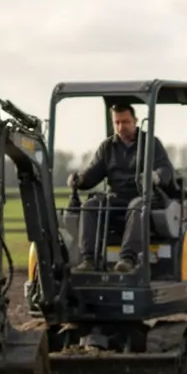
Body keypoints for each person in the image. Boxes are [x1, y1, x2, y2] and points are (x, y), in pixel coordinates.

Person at [66, 102, 176, 272]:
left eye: (125, 122)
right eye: (117, 122)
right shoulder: (107, 147)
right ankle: (89, 260)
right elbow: (93, 173)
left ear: (135, 121)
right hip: (116, 198)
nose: (121, 126)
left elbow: (166, 169)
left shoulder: (151, 143)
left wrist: (155, 176)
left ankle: (127, 259)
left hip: (144, 197)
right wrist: (79, 180)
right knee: (90, 206)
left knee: (137, 206)